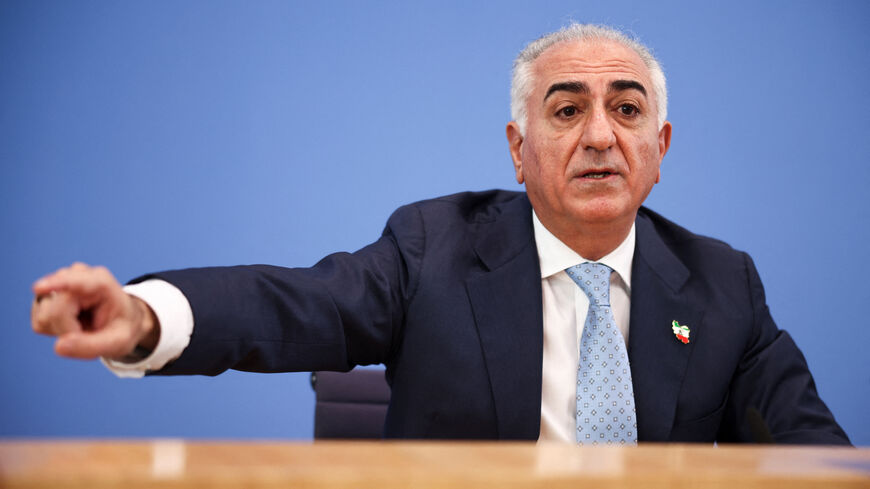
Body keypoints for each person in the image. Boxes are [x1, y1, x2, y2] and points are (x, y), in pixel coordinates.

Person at [30, 23, 850, 445]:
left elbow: (814, 452)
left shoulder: (721, 284)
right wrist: (144, 317)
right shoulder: (435, 249)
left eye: (627, 110)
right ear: (518, 150)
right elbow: (296, 303)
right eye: (567, 111)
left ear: (659, 149)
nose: (600, 135)